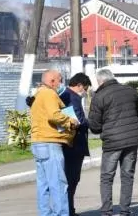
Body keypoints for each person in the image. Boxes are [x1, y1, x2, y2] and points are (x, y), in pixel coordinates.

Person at [89, 69, 138, 216]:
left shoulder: (99, 96)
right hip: (131, 140)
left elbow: (94, 126)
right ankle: (125, 211)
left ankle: (106, 211)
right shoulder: (130, 91)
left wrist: (104, 126)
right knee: (127, 176)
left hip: (112, 142)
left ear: (100, 81)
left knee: (107, 177)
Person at [29, 69, 78, 216]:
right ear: (52, 81)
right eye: (59, 80)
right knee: (58, 184)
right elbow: (54, 115)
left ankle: (45, 214)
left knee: (43, 186)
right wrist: (71, 122)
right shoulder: (49, 93)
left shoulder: (38, 94)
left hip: (38, 143)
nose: (61, 84)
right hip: (50, 143)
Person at [59, 73, 92, 216]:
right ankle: (68, 211)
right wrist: (93, 123)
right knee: (72, 179)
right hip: (74, 145)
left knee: (70, 179)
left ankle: (69, 210)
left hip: (69, 144)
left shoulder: (66, 95)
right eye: (85, 88)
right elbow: (78, 121)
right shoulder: (72, 97)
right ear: (79, 85)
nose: (85, 91)